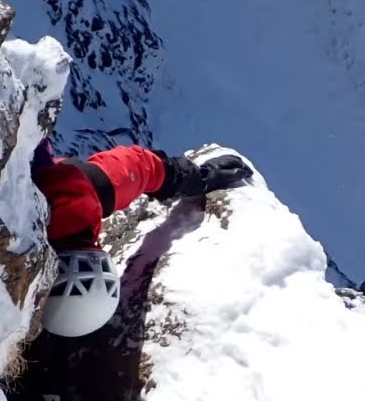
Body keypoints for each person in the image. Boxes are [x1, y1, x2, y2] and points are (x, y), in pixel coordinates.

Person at [32, 140, 254, 337]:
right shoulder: (75, 196)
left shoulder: (81, 196)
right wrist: (196, 179)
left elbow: (138, 169)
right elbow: (136, 169)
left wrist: (196, 178)